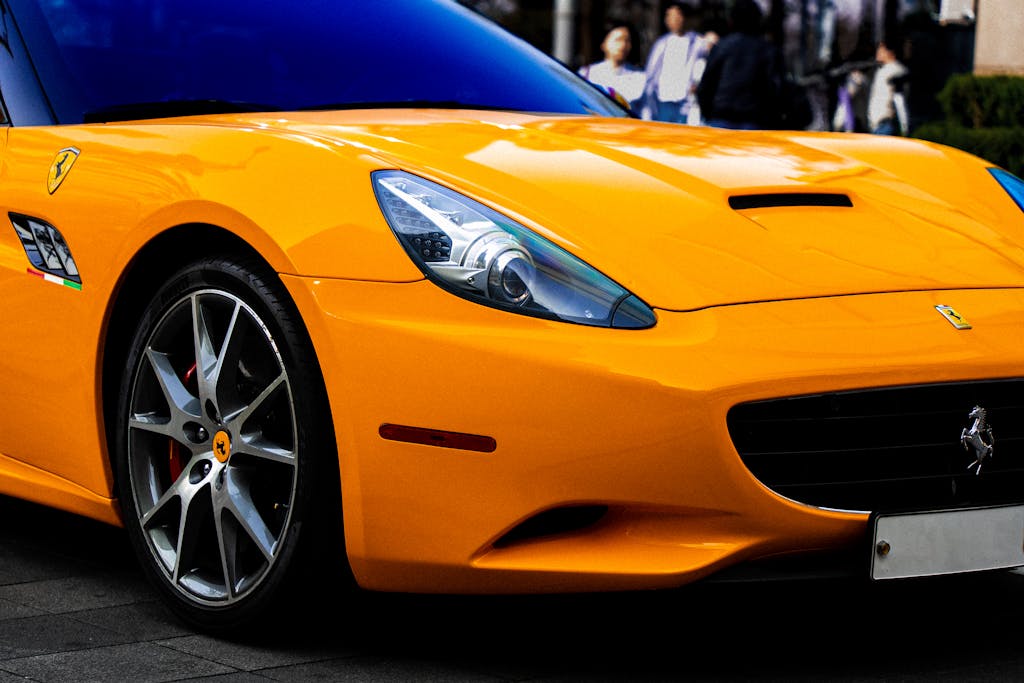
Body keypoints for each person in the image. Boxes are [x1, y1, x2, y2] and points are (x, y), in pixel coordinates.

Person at [696, 0, 780, 130]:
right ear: (758, 20)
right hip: (754, 120)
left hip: (720, 117)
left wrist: (707, 114)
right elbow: (775, 87)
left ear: (732, 20)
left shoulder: (722, 47)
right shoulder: (768, 49)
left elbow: (706, 84)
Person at [641, 2, 708, 123]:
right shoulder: (662, 43)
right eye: (669, 16)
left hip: (685, 102)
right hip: (663, 100)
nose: (673, 20)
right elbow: (651, 71)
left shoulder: (698, 42)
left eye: (677, 16)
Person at [578, 24, 646, 112]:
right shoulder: (587, 74)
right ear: (604, 44)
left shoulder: (641, 77)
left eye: (627, 40)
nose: (623, 45)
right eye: (618, 40)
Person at [865, 41, 909, 135]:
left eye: (882, 50)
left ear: (891, 52)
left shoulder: (896, 70)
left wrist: (904, 126)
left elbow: (899, 99)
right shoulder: (883, 70)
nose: (878, 52)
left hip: (886, 124)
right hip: (876, 126)